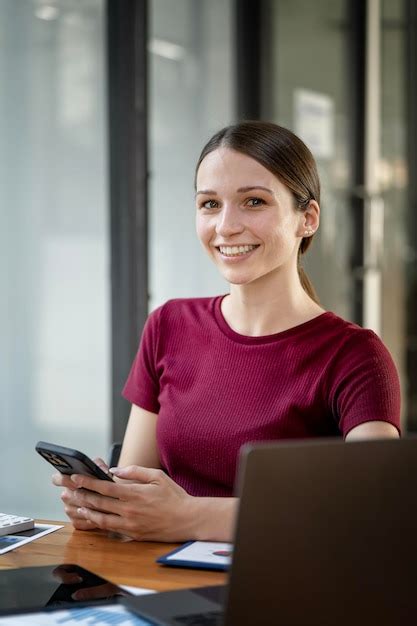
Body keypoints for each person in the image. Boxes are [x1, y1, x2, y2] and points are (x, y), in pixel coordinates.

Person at [53, 121, 401, 542]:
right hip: (154, 581)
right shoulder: (168, 325)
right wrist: (108, 507)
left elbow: (372, 508)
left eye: (253, 202)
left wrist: (187, 516)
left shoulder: (356, 355)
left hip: (283, 589)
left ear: (306, 219)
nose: (226, 226)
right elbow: (138, 484)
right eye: (210, 204)